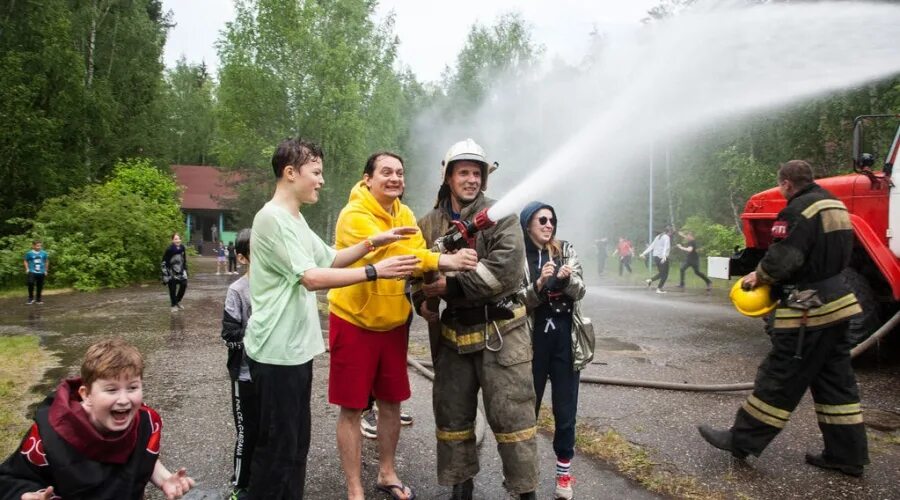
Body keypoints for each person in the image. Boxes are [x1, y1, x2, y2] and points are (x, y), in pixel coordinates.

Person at [243, 138, 419, 499]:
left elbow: (331, 259)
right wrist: (375, 271)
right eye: (316, 172)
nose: (322, 181)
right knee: (277, 447)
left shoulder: (295, 217)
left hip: (296, 350)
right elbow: (312, 278)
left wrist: (373, 243)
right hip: (275, 351)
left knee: (295, 447)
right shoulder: (272, 218)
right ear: (291, 173)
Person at [698, 160, 868, 476]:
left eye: (781, 185)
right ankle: (847, 455)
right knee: (836, 385)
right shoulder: (834, 204)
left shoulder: (796, 211)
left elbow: (784, 257)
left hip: (809, 310)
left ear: (787, 183)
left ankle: (741, 439)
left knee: (779, 377)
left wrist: (757, 277)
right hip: (840, 302)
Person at [329, 151, 479, 500]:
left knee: (392, 402)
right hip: (355, 322)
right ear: (367, 178)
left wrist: (428, 296)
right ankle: (354, 488)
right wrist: (446, 260)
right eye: (386, 172)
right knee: (351, 407)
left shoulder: (405, 213)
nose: (395, 178)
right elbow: (397, 260)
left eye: (400, 172)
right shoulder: (354, 215)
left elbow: (416, 259)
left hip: (393, 324)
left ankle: (387, 473)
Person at [415, 138, 538, 500]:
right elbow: (414, 272)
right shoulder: (429, 224)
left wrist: (447, 288)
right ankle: (460, 488)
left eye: (476, 174)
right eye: (463, 172)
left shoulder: (503, 215)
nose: (470, 180)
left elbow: (504, 272)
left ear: (484, 179)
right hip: (453, 337)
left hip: (502, 334)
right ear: (448, 177)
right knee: (452, 419)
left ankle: (526, 491)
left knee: (513, 419)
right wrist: (421, 299)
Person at [0, 338, 195, 499]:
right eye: (111, 390)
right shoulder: (49, 437)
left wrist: (164, 479)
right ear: (86, 394)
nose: (124, 400)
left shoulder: (147, 421)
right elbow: (10, 479)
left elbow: (144, 456)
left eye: (133, 387)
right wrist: (26, 495)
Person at [517, 202, 593, 500]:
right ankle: (526, 475)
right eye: (542, 220)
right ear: (528, 225)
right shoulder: (520, 257)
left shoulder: (565, 250)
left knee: (565, 411)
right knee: (526, 412)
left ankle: (564, 475)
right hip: (531, 344)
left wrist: (566, 279)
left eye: (552, 220)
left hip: (565, 342)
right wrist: (538, 284)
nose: (549, 225)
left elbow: (581, 289)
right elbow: (515, 300)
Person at [221, 229, 256, 500]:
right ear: (242, 258)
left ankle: (265, 479)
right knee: (247, 432)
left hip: (274, 374)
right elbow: (229, 336)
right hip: (245, 376)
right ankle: (240, 485)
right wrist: (256, 332)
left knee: (271, 429)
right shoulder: (237, 291)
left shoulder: (280, 285)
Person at [640, 226, 672, 294]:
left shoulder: (658, 236)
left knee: (661, 273)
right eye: (671, 232)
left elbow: (651, 246)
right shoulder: (667, 237)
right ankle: (659, 289)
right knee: (665, 275)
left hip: (656, 257)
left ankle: (650, 280)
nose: (671, 234)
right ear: (669, 232)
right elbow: (666, 247)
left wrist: (643, 253)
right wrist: (664, 256)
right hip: (663, 258)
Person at [161, 233, 188, 312]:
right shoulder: (169, 249)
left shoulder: (182, 248)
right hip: (171, 271)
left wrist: (185, 269)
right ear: (172, 240)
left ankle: (177, 301)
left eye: (178, 239)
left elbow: (184, 259)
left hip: (181, 270)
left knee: (184, 284)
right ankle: (173, 305)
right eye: (175, 239)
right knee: (172, 289)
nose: (177, 240)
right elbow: (164, 261)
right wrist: (165, 274)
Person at [23, 240, 49, 305]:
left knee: (39, 286)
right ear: (33, 246)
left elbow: (46, 261)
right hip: (32, 271)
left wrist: (46, 270)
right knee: (30, 283)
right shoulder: (29, 253)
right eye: (37, 246)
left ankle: (38, 299)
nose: (39, 247)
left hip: (41, 272)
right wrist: (27, 269)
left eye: (40, 246)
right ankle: (31, 298)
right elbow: (25, 261)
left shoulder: (44, 253)